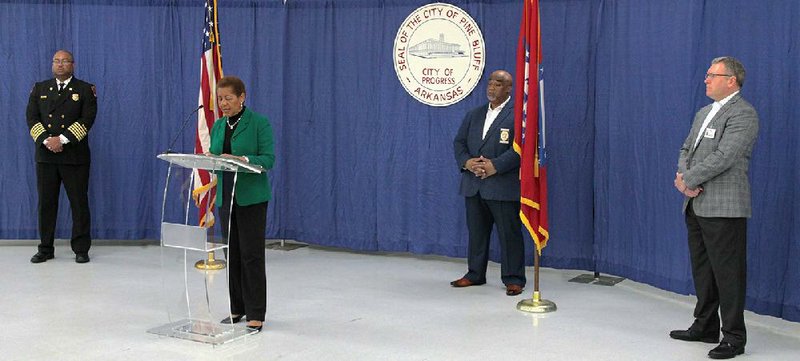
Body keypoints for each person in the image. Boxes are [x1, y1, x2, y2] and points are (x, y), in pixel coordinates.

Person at [670, 57, 759, 360]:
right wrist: (684, 180)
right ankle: (705, 325)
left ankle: (734, 337)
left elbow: (725, 156)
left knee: (728, 274)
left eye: (712, 75)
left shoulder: (744, 114)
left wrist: (689, 179)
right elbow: (686, 148)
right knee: (703, 271)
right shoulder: (704, 113)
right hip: (696, 203)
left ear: (731, 80)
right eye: (707, 75)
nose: (706, 80)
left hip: (725, 207)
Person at [208, 76, 275, 333]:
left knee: (251, 255)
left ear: (242, 97)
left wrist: (241, 158)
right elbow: (215, 156)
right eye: (220, 98)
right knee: (232, 254)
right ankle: (237, 308)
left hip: (252, 199)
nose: (223, 103)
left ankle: (256, 313)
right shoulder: (218, 126)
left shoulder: (259, 123)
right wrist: (210, 160)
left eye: (228, 98)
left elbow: (268, 160)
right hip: (226, 197)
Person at [451, 70, 526, 296]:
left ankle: (513, 278)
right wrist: (467, 162)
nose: (492, 87)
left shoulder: (519, 115)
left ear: (509, 89)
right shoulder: (474, 114)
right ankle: (475, 273)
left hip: (502, 186)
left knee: (509, 234)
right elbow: (459, 143)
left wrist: (495, 166)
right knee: (476, 233)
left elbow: (522, 148)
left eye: (499, 83)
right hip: (474, 185)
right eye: (490, 83)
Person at [26, 50, 97, 264]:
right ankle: (45, 248)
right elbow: (31, 118)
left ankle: (81, 249)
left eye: (65, 61)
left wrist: (62, 140)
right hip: (46, 156)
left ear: (72, 65)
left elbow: (87, 119)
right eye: (56, 61)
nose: (60, 64)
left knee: (78, 203)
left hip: (74, 156)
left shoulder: (85, 89)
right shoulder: (40, 88)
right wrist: (47, 140)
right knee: (46, 204)